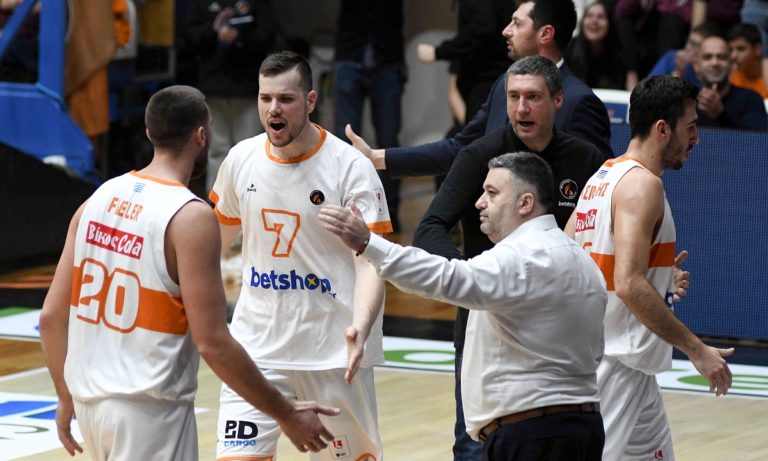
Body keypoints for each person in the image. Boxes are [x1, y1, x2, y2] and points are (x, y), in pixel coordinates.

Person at [38, 85, 339, 460]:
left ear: (150, 133)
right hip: (149, 415)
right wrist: (285, 413)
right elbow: (213, 343)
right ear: (201, 136)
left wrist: (65, 397)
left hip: (89, 406)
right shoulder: (190, 216)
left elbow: (51, 318)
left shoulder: (94, 201)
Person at [318, 151, 607, 461]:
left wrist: (368, 243)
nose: (479, 202)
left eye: (492, 193)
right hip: (583, 427)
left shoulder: (523, 257)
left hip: (533, 434)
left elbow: (447, 278)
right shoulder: (583, 261)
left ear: (525, 203)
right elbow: (596, 350)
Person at [209, 51, 392, 460]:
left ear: (310, 101)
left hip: (332, 355)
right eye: (265, 98)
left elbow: (371, 260)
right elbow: (208, 245)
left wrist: (361, 327)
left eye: (285, 99)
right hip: (256, 352)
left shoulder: (350, 168)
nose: (273, 109)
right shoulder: (240, 160)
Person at [428, 55, 609, 461]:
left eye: (533, 97)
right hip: (487, 318)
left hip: (559, 326)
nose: (521, 108)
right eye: (513, 97)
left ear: (558, 100)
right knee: (473, 443)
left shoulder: (585, 159)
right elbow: (431, 225)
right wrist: (466, 277)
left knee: (562, 432)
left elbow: (609, 229)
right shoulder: (480, 155)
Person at [566, 75, 735, 460]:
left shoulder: (602, 177)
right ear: (662, 129)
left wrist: (659, 278)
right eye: (690, 126)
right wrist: (697, 350)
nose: (696, 137)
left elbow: (571, 255)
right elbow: (628, 284)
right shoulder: (643, 185)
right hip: (618, 361)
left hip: (625, 361)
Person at [347, 0, 613, 177]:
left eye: (517, 23)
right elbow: (459, 149)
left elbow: (599, 185)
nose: (506, 31)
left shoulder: (579, 102)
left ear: (545, 34)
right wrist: (376, 157)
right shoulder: (501, 87)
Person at [182, 0, 276, 192]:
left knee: (251, 153)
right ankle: (217, 204)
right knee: (216, 152)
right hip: (212, 90)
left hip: (248, 91)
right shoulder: (202, 5)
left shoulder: (258, 4)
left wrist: (239, 37)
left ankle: (249, 202)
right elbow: (189, 36)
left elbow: (268, 36)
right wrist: (214, 30)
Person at [333, 0, 405, 231]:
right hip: (349, 54)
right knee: (343, 143)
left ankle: (389, 213)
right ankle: (343, 210)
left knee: (389, 141)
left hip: (387, 59)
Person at [416, 0, 514, 121]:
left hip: (487, 78)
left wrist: (439, 52)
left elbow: (482, 27)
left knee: (480, 129)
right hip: (493, 77)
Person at [695, 34, 767, 130]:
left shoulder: (750, 99)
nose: (715, 63)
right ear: (696, 64)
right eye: (707, 57)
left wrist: (720, 115)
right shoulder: (687, 101)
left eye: (721, 57)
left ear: (731, 64)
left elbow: (756, 138)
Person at [564, 0, 628, 90]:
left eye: (601, 17)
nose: (594, 21)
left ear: (610, 23)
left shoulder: (620, 55)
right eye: (589, 16)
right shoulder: (567, 49)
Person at [727, 22, 768, 97]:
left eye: (740, 49)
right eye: (731, 50)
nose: (733, 56)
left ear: (757, 49)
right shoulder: (732, 78)